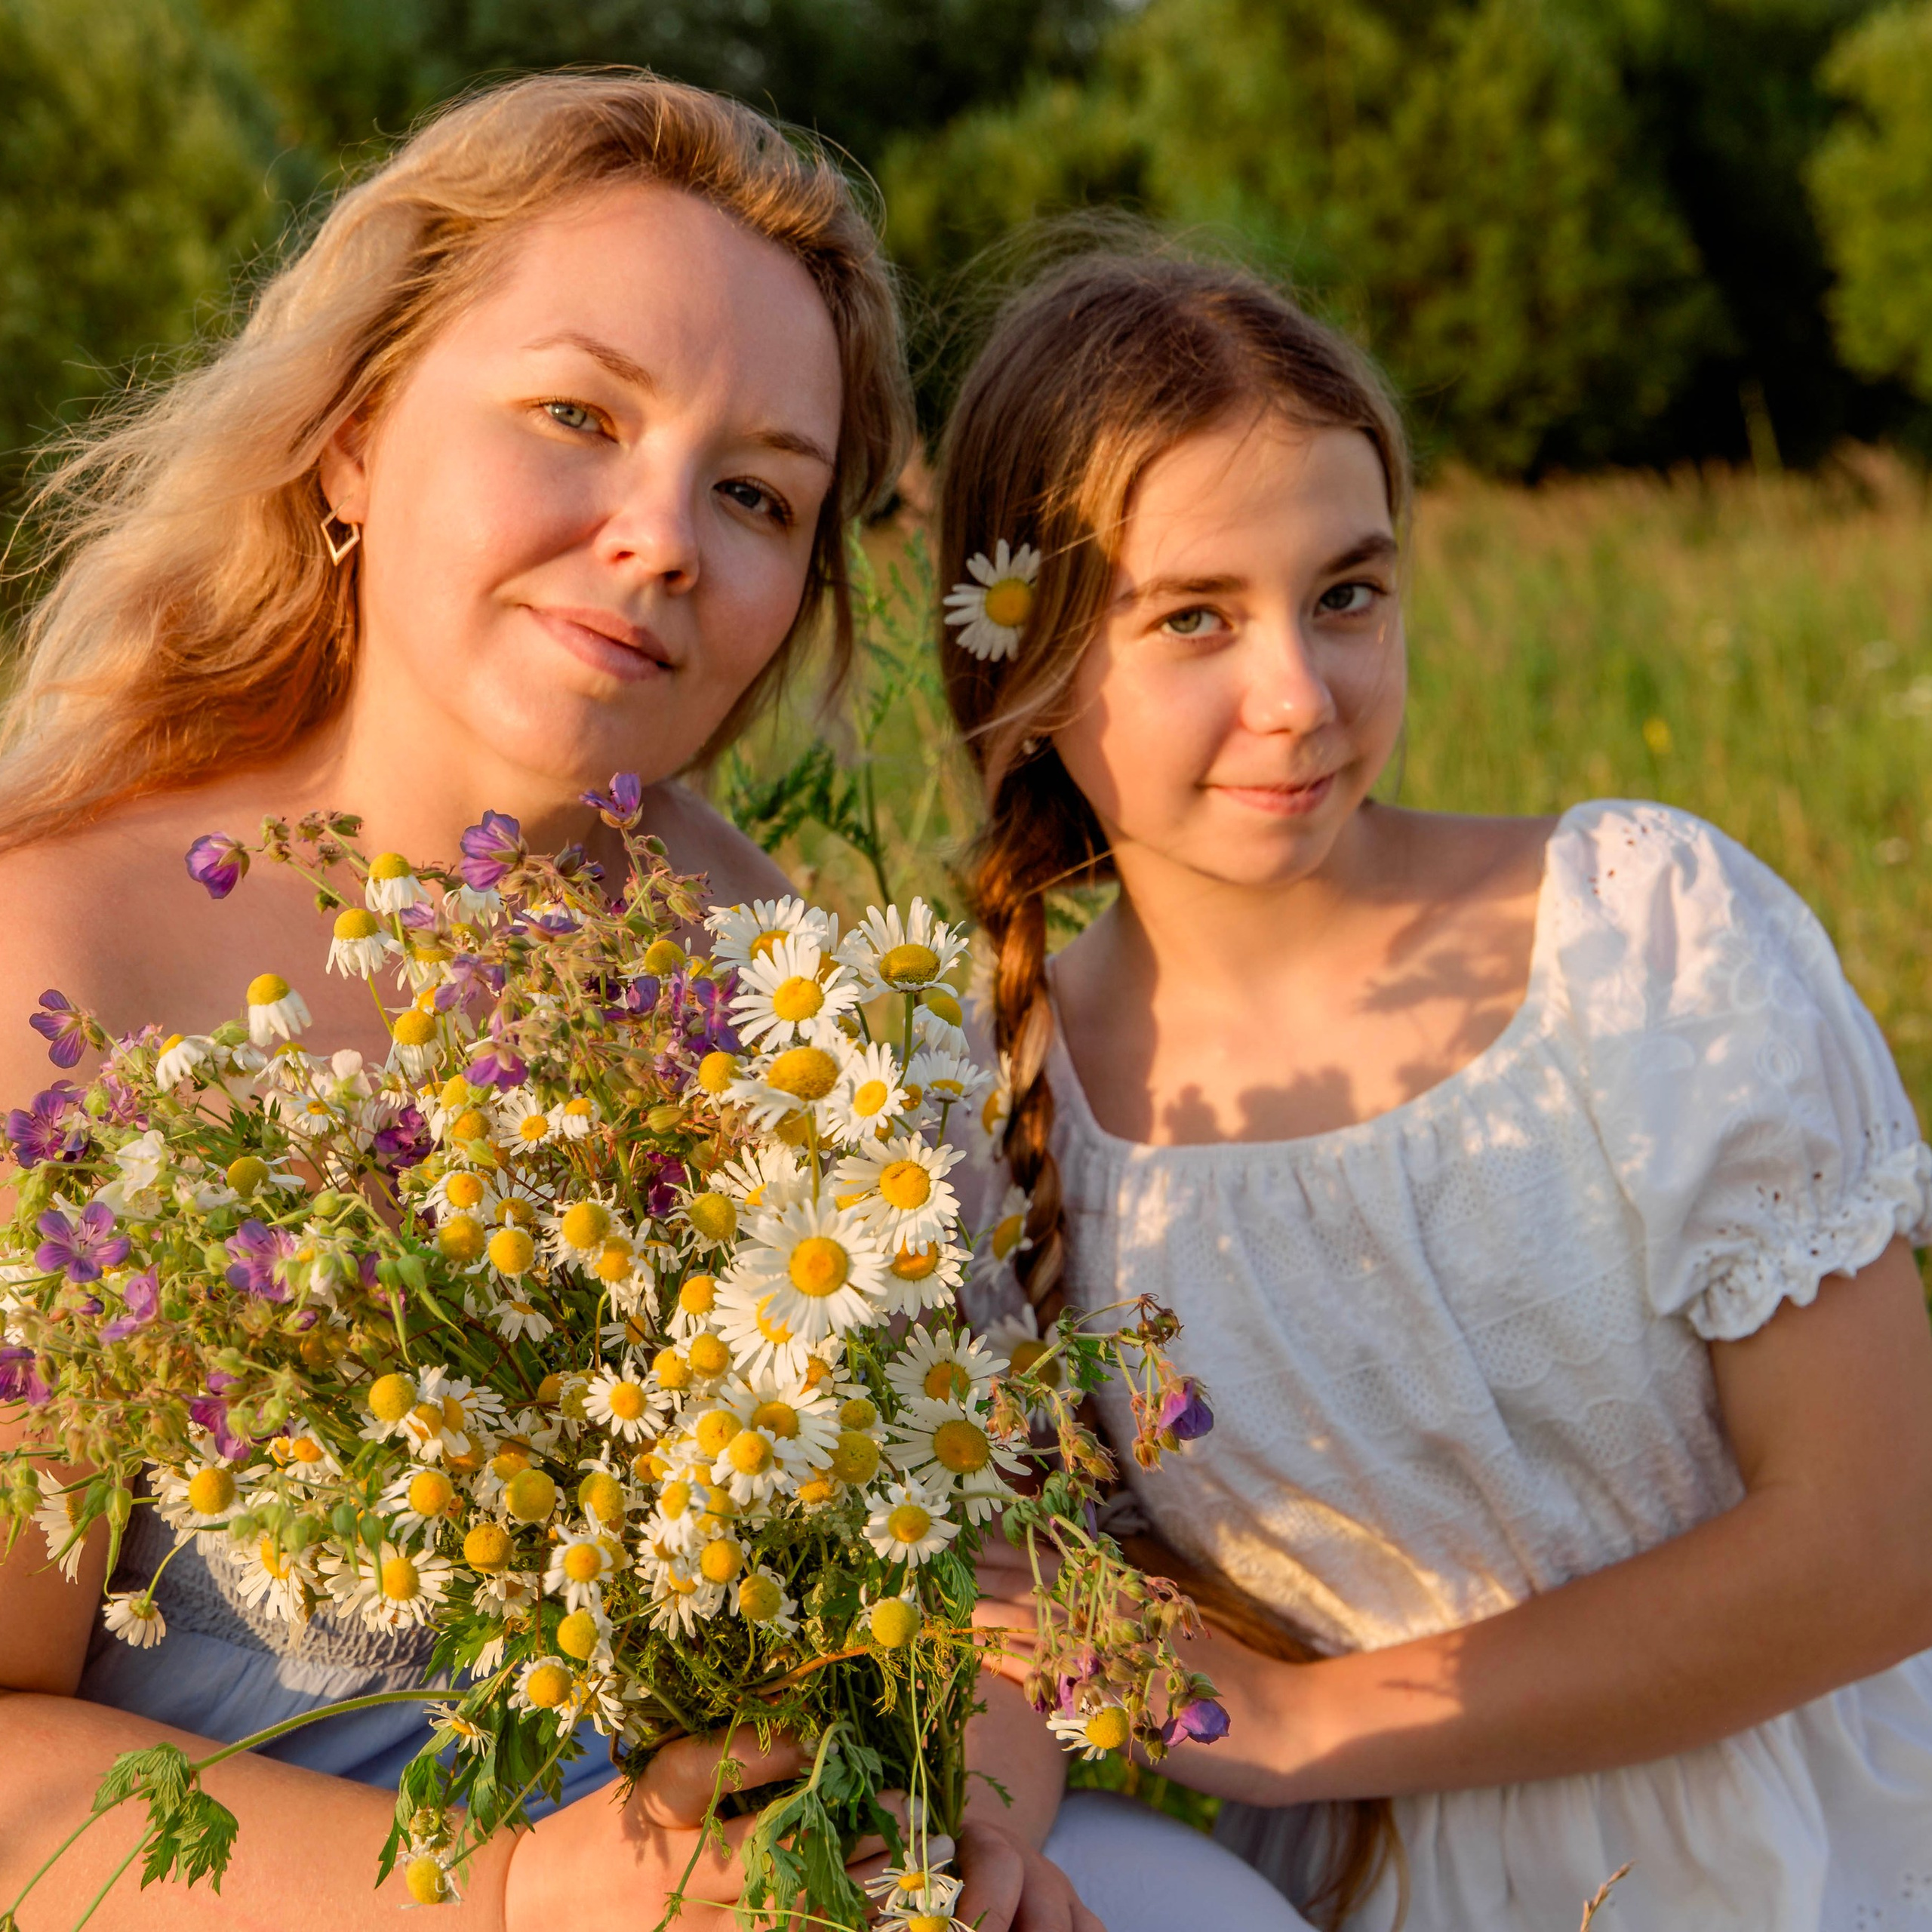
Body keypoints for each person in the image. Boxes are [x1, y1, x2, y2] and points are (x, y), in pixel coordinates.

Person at [0, 73, 1094, 1931]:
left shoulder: (781, 976)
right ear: (351, 441)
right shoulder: (66, 973)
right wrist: (519, 1893)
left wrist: (950, 1819)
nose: (662, 535)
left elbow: (986, 1550)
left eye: (754, 494)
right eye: (577, 414)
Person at [937, 248, 1932, 1932]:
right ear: (1020, 666)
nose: (1297, 696)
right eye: (1194, 616)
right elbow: (1018, 1624)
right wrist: (973, 1851)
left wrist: (1312, 1716)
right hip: (1364, 1892)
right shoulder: (987, 1101)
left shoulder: (1638, 937)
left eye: (1345, 593)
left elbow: (1876, 1538)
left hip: (1798, 1851)